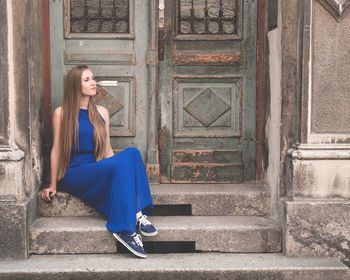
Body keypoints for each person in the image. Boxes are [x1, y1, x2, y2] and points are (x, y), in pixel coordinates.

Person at [41, 65, 157, 258]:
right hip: (74, 171)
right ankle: (124, 229)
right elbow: (56, 149)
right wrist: (52, 184)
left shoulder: (101, 112)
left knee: (132, 153)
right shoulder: (61, 113)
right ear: (74, 85)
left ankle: (136, 214)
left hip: (95, 167)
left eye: (93, 78)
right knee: (128, 157)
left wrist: (116, 173)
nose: (93, 82)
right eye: (86, 80)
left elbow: (106, 150)